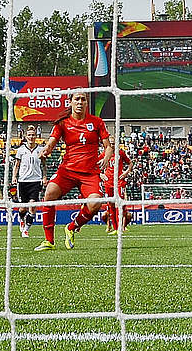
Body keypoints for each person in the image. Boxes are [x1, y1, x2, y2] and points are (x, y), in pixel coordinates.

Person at [33, 93, 111, 251]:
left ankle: (71, 227)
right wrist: (46, 150)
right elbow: (51, 142)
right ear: (70, 102)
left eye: (83, 99)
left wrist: (106, 158)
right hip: (67, 171)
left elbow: (108, 146)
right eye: (77, 99)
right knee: (49, 194)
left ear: (87, 103)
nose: (80, 102)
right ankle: (49, 241)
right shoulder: (63, 123)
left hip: (90, 173)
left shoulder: (97, 122)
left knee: (96, 203)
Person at [102, 144, 133, 234]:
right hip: (108, 183)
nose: (112, 145)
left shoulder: (120, 153)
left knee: (119, 205)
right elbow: (94, 163)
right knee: (111, 205)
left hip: (119, 182)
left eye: (113, 143)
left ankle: (121, 228)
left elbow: (130, 163)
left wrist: (126, 173)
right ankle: (115, 228)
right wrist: (100, 174)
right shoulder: (105, 154)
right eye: (110, 143)